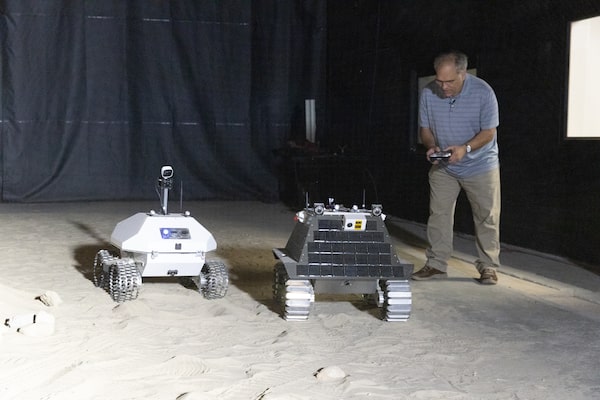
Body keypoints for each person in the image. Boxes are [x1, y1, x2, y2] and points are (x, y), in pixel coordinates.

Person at [411, 50, 501, 284]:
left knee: (486, 216)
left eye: (449, 81)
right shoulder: (429, 92)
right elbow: (425, 129)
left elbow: (489, 132)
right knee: (438, 215)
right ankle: (436, 264)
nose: (443, 87)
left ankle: (488, 267)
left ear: (463, 73)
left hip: (480, 165)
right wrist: (431, 147)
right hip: (445, 166)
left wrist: (465, 148)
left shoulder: (483, 92)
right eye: (439, 80)